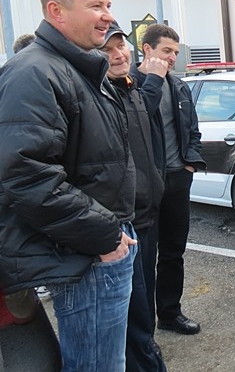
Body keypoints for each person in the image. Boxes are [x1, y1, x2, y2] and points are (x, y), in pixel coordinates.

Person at [0, 0, 137, 372]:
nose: (109, 16)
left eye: (108, 4)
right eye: (96, 6)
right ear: (56, 11)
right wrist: (105, 235)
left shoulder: (77, 68)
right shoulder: (34, 73)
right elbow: (25, 175)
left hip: (97, 245)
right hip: (86, 254)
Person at [100, 21, 169, 371]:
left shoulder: (128, 88)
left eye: (120, 46)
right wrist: (153, 80)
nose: (118, 54)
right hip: (121, 222)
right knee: (132, 310)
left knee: (142, 305)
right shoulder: (102, 94)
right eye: (107, 49)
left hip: (145, 210)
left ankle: (146, 353)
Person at [130, 23, 206, 335]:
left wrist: (189, 165)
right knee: (145, 259)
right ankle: (145, 329)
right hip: (146, 187)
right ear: (147, 49)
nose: (173, 57)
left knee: (174, 253)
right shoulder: (128, 85)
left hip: (177, 179)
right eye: (166, 51)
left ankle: (170, 314)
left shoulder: (179, 87)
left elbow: (192, 131)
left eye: (175, 51)